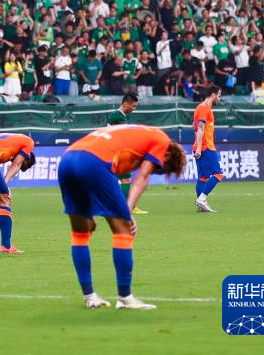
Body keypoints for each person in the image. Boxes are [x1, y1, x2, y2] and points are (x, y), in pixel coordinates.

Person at [58, 124, 186, 310]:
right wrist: (127, 213)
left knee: (81, 232)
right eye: (159, 168)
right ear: (166, 156)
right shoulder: (161, 140)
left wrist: (89, 212)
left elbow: (100, 185)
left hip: (67, 159)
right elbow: (142, 177)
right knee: (124, 231)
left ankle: (90, 297)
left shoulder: (135, 137)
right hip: (93, 161)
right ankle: (125, 298)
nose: (154, 170)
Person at [108, 94, 147, 215]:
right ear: (125, 105)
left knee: (116, 179)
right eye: (133, 106)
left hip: (114, 151)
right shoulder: (117, 116)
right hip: (119, 152)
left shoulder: (117, 116)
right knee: (125, 179)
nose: (134, 109)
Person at [193, 86, 223, 213]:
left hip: (199, 146)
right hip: (206, 147)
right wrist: (200, 147)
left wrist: (198, 146)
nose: (219, 99)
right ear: (213, 95)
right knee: (218, 173)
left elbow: (195, 126)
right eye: (219, 96)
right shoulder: (205, 108)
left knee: (203, 177)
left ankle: (201, 205)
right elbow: (200, 127)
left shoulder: (200, 107)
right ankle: (202, 199)